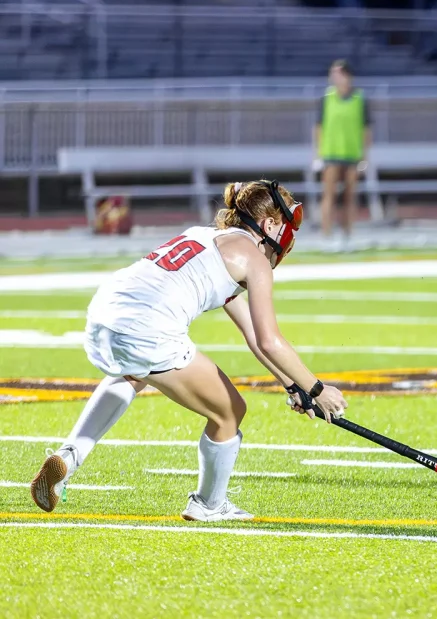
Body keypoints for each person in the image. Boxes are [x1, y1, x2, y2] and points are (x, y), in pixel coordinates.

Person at [30, 180, 349, 522]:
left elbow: (253, 335)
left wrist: (293, 384)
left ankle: (70, 455)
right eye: (286, 226)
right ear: (270, 224)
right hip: (148, 326)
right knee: (229, 413)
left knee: (136, 373)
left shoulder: (203, 234)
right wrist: (317, 388)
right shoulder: (253, 259)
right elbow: (270, 340)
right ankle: (209, 504)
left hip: (103, 314)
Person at [313, 60, 372, 249]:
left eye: (337, 73)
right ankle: (326, 233)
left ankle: (348, 233)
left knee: (349, 195)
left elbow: (366, 129)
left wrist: (365, 155)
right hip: (331, 153)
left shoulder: (359, 99)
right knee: (328, 195)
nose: (334, 77)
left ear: (347, 76)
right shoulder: (327, 98)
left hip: (352, 154)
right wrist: (318, 153)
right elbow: (319, 127)